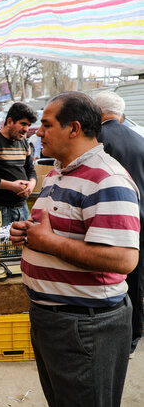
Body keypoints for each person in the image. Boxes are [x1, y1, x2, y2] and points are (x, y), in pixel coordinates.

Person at [10, 92, 140, 407]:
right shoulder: (60, 172)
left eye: (46, 124)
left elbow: (124, 259)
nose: (37, 132)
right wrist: (28, 233)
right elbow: (56, 229)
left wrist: (48, 242)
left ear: (74, 129)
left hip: (85, 327)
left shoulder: (106, 179)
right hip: (57, 321)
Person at [94, 91, 144, 357]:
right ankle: (133, 337)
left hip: (109, 222)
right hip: (139, 221)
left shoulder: (96, 141)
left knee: (105, 278)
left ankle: (108, 334)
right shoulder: (139, 139)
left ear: (98, 113)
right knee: (136, 281)